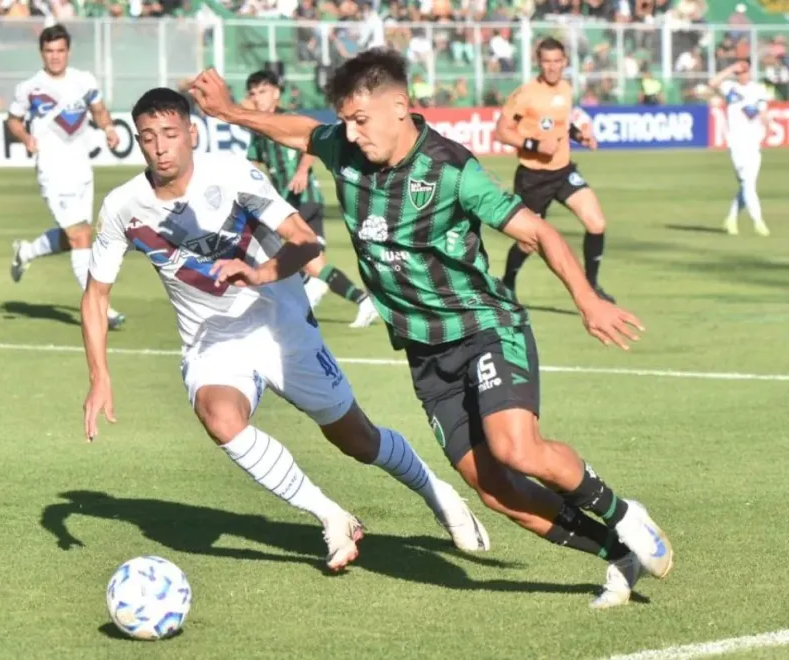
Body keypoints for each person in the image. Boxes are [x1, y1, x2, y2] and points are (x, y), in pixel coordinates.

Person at [188, 48, 674, 608]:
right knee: (496, 491)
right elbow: (301, 131)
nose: (350, 133)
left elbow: (538, 232)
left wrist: (587, 300)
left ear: (400, 107)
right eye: (344, 121)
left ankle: (624, 514)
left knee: (516, 448)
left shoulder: (451, 170)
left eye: (360, 120)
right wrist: (228, 112)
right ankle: (617, 553)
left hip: (484, 326)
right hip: (425, 353)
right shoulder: (345, 148)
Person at [80, 87, 490, 572]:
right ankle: (331, 516)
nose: (160, 147)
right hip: (212, 341)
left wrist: (257, 274)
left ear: (192, 133)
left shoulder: (232, 174)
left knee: (357, 440)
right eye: (148, 137)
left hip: (281, 327)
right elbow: (96, 295)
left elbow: (304, 241)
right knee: (220, 418)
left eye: (170, 134)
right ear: (138, 141)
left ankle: (437, 492)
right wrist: (99, 376)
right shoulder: (123, 207)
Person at [6, 23, 126, 329]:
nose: (55, 56)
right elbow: (13, 121)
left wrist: (109, 128)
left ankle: (26, 251)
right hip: (52, 169)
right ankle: (99, 308)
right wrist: (26, 138)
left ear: (68, 51)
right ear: (41, 53)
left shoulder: (83, 80)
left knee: (79, 234)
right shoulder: (30, 87)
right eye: (49, 51)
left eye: (60, 50)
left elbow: (99, 109)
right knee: (80, 235)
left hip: (81, 168)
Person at [244, 69, 379, 329]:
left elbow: (313, 141)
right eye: (253, 93)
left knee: (288, 255)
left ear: (276, 93)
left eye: (262, 91)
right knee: (313, 264)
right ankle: (347, 296)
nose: (257, 97)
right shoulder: (258, 130)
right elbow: (253, 163)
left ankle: (352, 298)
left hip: (303, 200)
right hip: (287, 202)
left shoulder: (288, 119)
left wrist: (302, 171)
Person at [494, 37, 616, 303]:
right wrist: (535, 145)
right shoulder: (525, 94)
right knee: (528, 243)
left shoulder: (566, 88)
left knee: (596, 223)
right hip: (533, 178)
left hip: (562, 172)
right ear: (539, 62)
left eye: (557, 61)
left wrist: (580, 136)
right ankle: (507, 282)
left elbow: (562, 125)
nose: (552, 67)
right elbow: (501, 132)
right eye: (546, 62)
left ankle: (591, 286)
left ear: (565, 62)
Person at [709, 59, 771, 237]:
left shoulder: (758, 90)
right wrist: (730, 68)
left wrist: (766, 126)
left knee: (748, 184)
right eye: (738, 73)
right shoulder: (730, 87)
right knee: (747, 183)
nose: (741, 75)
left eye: (743, 71)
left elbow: (763, 112)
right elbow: (712, 83)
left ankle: (731, 219)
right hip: (736, 142)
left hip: (753, 142)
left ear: (750, 72)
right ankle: (758, 221)